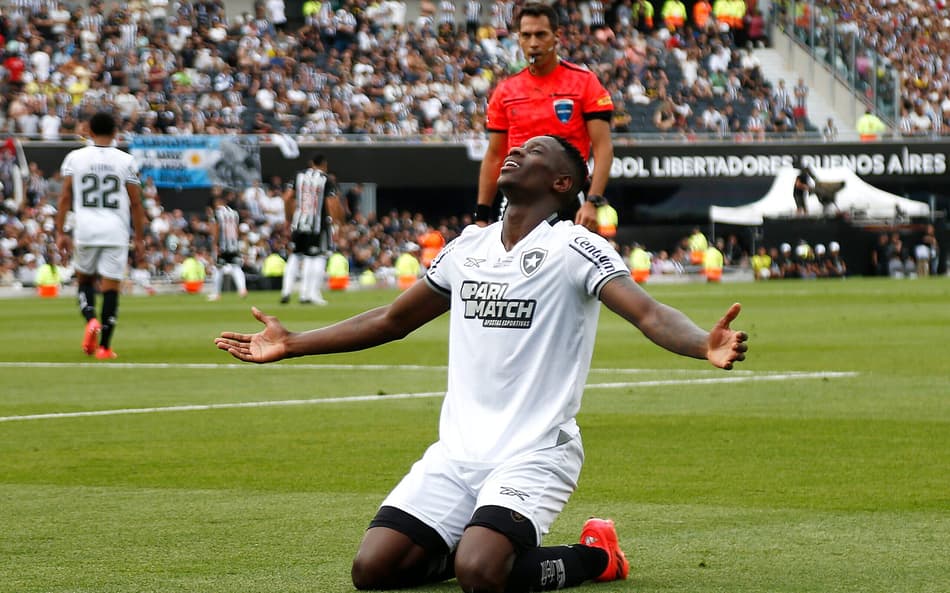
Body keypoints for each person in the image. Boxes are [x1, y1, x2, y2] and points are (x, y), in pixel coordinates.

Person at [215, 135, 749, 593]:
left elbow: (649, 313)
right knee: (373, 569)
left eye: (535, 151)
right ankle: (474, 542)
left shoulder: (575, 247)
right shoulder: (467, 246)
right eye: (517, 146)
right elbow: (390, 320)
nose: (515, 150)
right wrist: (293, 343)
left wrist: (703, 343)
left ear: (563, 183)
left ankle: (597, 555)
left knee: (482, 575)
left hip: (535, 452)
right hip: (458, 453)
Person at [475, 2, 614, 232]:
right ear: (518, 38)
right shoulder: (505, 91)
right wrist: (481, 214)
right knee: (511, 265)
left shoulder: (585, 83)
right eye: (526, 35)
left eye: (540, 35)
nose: (533, 43)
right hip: (518, 196)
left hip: (567, 194)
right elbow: (494, 156)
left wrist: (593, 201)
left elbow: (603, 148)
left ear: (556, 36)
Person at [54, 111, 147, 360]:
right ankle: (105, 347)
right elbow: (136, 203)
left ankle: (90, 319)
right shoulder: (125, 161)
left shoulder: (75, 158)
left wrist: (60, 231)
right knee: (111, 288)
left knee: (84, 281)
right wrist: (139, 238)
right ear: (116, 133)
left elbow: (65, 197)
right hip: (115, 231)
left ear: (89, 131)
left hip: (85, 228)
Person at [280, 153, 345, 305]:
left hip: (299, 222)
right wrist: (336, 223)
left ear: (311, 163)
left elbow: (287, 197)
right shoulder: (325, 179)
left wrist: (288, 218)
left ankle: (286, 291)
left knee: (295, 256)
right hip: (318, 225)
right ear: (324, 165)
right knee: (317, 257)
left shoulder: (299, 175)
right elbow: (332, 203)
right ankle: (308, 294)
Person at [206, 188, 248, 302]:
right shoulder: (234, 213)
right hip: (233, 245)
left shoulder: (217, 213)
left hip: (223, 245)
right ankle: (242, 290)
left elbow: (216, 229)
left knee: (218, 269)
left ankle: (216, 293)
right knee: (236, 268)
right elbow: (237, 229)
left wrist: (215, 244)